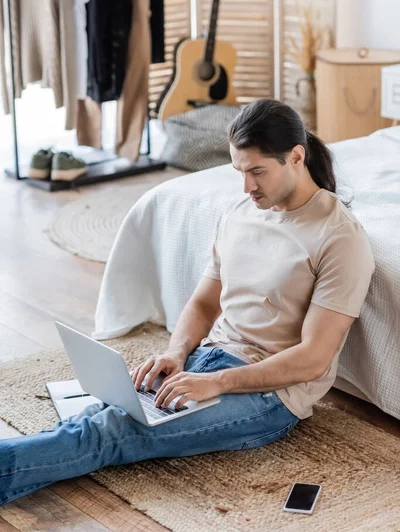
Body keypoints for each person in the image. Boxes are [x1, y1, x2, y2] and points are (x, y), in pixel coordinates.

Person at [0, 98, 375, 506]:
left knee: (107, 434)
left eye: (257, 172)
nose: (247, 187)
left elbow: (313, 359)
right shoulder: (240, 212)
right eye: (239, 171)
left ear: (296, 157)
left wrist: (217, 381)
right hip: (208, 360)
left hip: (270, 396)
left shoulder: (339, 238)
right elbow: (202, 303)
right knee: (94, 413)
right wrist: (176, 353)